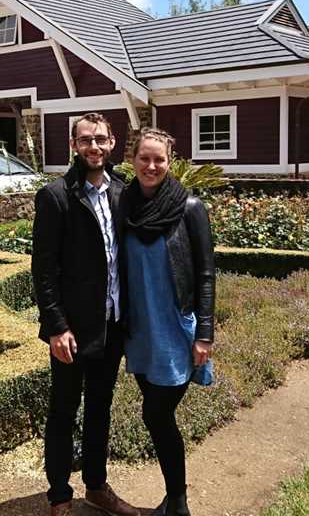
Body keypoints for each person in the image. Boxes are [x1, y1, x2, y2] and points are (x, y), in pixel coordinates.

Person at [32, 112, 139, 516]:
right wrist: (57, 326)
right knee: (62, 410)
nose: (93, 147)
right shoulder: (57, 195)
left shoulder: (123, 192)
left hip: (112, 325)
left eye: (100, 139)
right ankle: (59, 494)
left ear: (113, 143)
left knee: (100, 407)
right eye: (85, 140)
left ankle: (96, 486)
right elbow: (43, 270)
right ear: (74, 145)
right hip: (73, 330)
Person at [122, 128, 215, 516]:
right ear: (133, 160)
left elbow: (207, 273)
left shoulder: (190, 207)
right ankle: (175, 501)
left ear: (170, 162)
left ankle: (177, 502)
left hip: (176, 331)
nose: (151, 165)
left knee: (156, 414)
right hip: (139, 332)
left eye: (159, 159)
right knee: (155, 413)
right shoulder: (124, 206)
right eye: (144, 158)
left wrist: (205, 334)